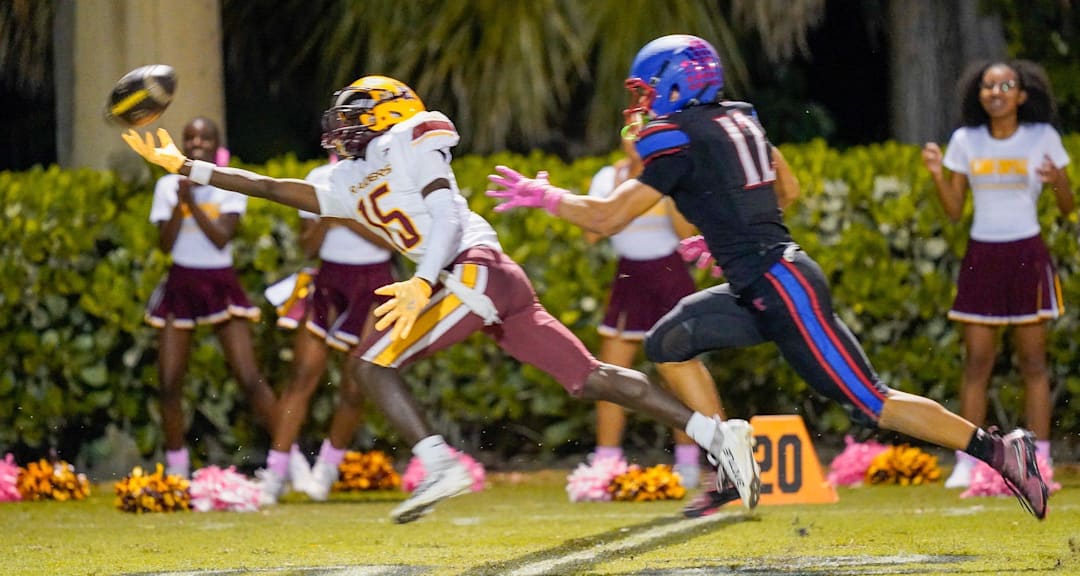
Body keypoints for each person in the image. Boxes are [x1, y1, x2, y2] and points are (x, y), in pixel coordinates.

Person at [121, 75, 761, 524]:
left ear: (381, 114)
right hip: (486, 278)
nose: (339, 130)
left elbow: (445, 220)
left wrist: (425, 280)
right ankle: (718, 434)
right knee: (589, 379)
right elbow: (270, 186)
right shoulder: (348, 177)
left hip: (469, 269)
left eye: (350, 116)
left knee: (370, 365)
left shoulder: (411, 138)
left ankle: (438, 465)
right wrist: (185, 168)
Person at [487, 34, 1051, 520]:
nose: (645, 102)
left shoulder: (680, 137)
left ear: (676, 84)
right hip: (761, 281)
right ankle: (730, 460)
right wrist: (723, 234)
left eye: (649, 89)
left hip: (782, 285)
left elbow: (608, 216)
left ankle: (1001, 453)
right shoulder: (739, 119)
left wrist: (547, 196)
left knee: (870, 401)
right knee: (668, 343)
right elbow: (785, 191)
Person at [921, 60, 1073, 489]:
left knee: (1033, 361)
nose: (997, 92)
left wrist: (1059, 178)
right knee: (977, 363)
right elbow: (953, 211)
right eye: (988, 86)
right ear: (979, 94)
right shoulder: (965, 141)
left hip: (1027, 252)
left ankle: (1039, 460)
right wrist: (937, 174)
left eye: (1006, 85)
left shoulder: (1041, 137)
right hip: (982, 255)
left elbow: (1066, 205)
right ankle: (970, 462)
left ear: (1022, 95)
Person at [584, 132, 729, 516]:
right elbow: (592, 231)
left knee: (677, 372)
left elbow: (686, 233)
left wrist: (660, 184)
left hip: (669, 275)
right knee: (607, 373)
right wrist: (626, 181)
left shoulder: (669, 176)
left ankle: (686, 462)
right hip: (628, 278)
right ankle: (607, 462)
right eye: (631, 134)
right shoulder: (606, 177)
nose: (635, 142)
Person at [256, 159, 397, 504]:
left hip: (374, 281)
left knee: (354, 383)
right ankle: (274, 473)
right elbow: (307, 246)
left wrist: (345, 217)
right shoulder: (319, 177)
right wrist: (327, 220)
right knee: (302, 375)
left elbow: (393, 241)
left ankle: (327, 470)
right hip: (330, 280)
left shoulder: (392, 174)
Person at [144, 116, 278, 478]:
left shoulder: (227, 183)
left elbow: (222, 237)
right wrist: (179, 202)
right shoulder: (168, 186)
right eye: (190, 138)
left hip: (220, 282)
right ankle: (177, 467)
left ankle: (287, 458)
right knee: (170, 382)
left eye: (204, 138)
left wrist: (193, 203)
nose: (196, 143)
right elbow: (165, 244)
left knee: (249, 377)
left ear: (216, 144)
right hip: (180, 282)